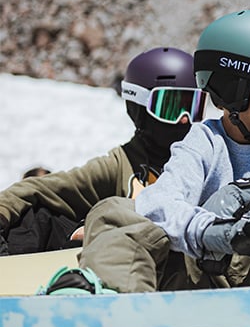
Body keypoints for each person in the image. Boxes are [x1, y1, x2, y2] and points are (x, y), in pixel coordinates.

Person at [41, 10, 250, 295]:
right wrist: (212, 231)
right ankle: (112, 291)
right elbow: (161, 202)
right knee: (118, 210)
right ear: (236, 84)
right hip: (200, 274)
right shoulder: (202, 140)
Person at [0, 47, 204, 255]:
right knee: (39, 219)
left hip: (194, 272)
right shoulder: (121, 165)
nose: (185, 118)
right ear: (139, 108)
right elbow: (39, 189)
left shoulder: (206, 159)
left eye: (193, 106)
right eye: (170, 106)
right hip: (138, 272)